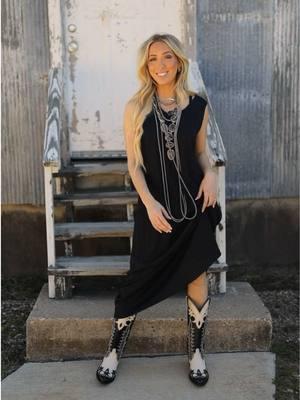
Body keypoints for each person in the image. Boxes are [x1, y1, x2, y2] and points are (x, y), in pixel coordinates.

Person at [96, 33, 222, 386]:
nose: (161, 65)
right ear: (145, 66)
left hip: (194, 208)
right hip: (155, 210)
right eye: (153, 59)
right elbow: (135, 164)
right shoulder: (136, 107)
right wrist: (149, 204)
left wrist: (211, 172)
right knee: (139, 278)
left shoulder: (197, 105)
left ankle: (196, 352)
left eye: (167, 57)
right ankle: (114, 351)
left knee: (196, 273)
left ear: (178, 61)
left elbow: (200, 153)